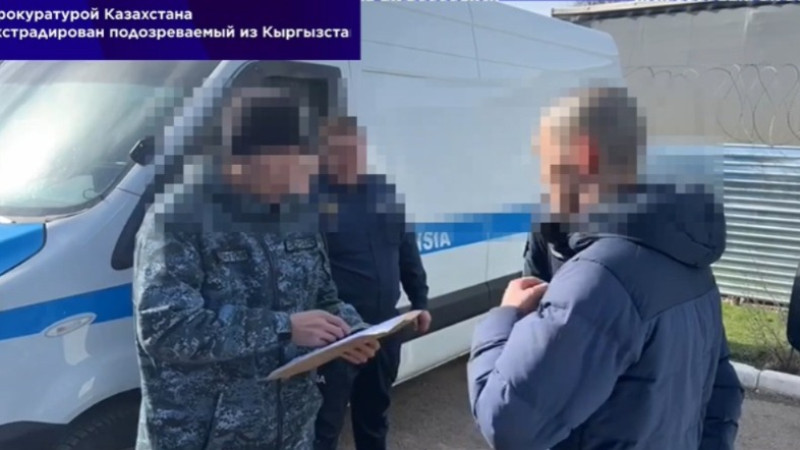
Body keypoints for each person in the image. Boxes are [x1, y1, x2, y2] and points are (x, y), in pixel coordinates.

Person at [467, 86, 744, 450]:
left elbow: (506, 422)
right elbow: (722, 396)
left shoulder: (600, 279)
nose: (543, 183)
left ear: (584, 156)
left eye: (546, 164)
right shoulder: (688, 260)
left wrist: (504, 317)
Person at [132, 86, 380, 450]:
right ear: (254, 157)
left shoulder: (298, 214)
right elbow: (165, 329)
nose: (311, 172)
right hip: (204, 438)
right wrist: (284, 327)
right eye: (301, 159)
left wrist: (349, 332)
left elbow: (324, 298)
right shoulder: (179, 218)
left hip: (291, 433)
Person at [313, 116, 431, 450]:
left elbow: (407, 251)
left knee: (374, 419)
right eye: (340, 152)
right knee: (325, 427)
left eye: (355, 150)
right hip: (337, 338)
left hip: (383, 331)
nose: (349, 159)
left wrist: (420, 301)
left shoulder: (384, 194)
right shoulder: (309, 202)